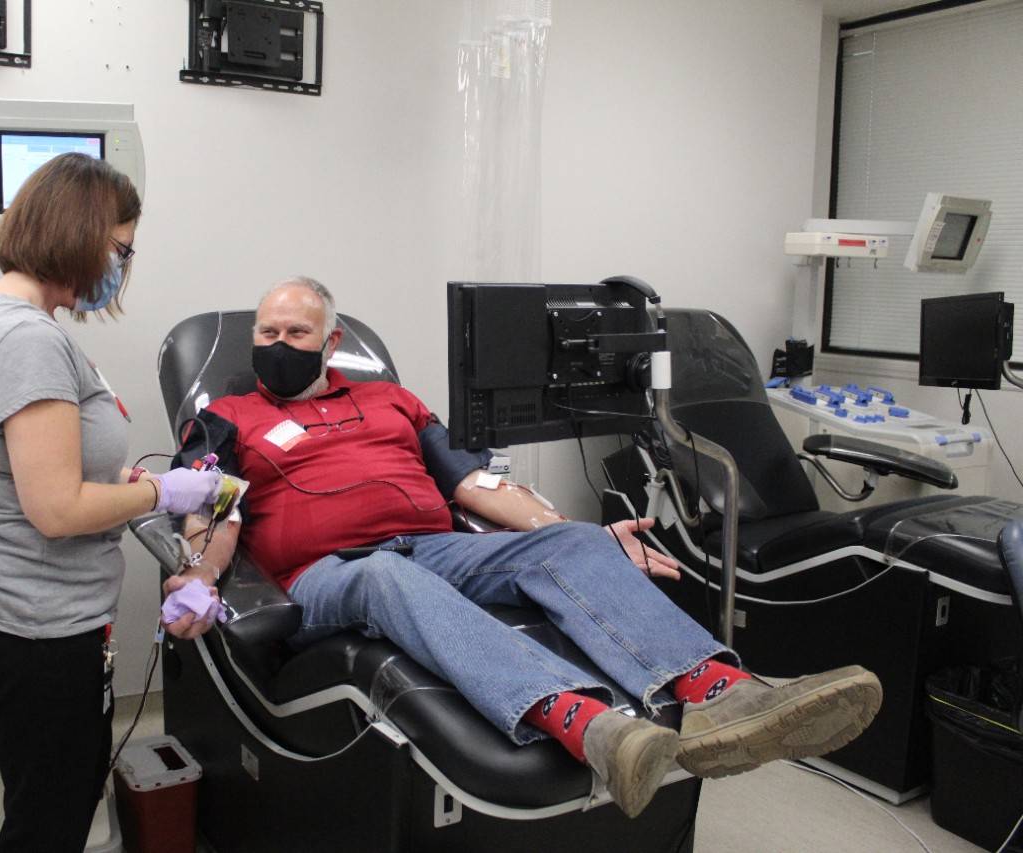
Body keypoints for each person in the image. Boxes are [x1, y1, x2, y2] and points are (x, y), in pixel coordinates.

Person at [166, 276, 883, 818]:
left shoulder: (393, 402)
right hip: (325, 576)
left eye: (296, 333)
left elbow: (475, 484)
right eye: (266, 333)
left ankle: (721, 693)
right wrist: (202, 573)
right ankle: (589, 722)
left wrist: (579, 538)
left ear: (331, 345)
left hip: (432, 547)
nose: (276, 346)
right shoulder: (228, 416)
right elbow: (210, 503)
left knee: (569, 540)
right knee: (387, 575)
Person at [0, 152, 222, 853]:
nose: (121, 266)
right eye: (120, 248)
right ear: (80, 231)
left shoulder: (13, 317)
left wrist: (126, 484)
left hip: (29, 620)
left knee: (47, 799)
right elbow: (57, 509)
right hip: (34, 633)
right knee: (50, 821)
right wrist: (159, 489)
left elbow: (53, 463)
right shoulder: (25, 339)